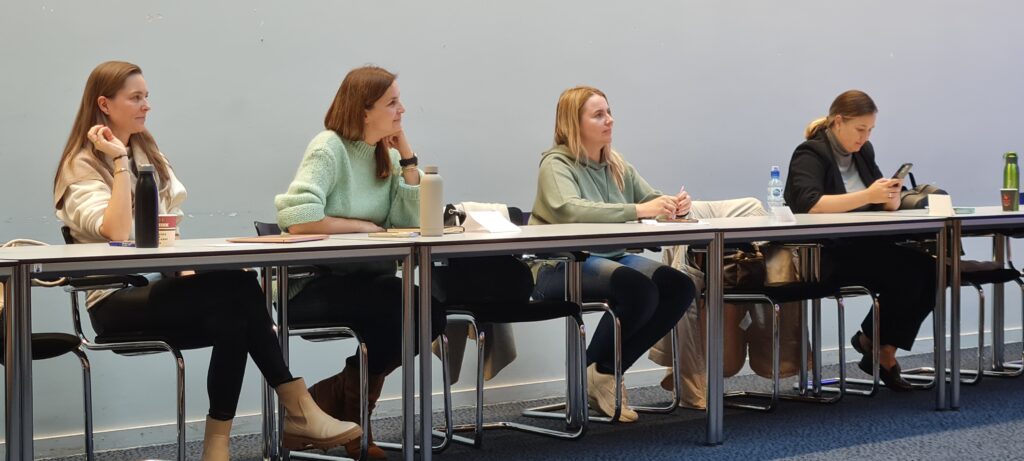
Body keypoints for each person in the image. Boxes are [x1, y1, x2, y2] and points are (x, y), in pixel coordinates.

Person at [53, 61, 360, 461]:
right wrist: (118, 161)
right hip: (114, 301)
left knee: (234, 311)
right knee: (238, 289)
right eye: (136, 97)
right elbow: (117, 231)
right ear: (104, 104)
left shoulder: (148, 153)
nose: (147, 105)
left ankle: (219, 446)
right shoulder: (81, 164)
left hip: (161, 290)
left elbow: (165, 234)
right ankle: (297, 411)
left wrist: (187, 271)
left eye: (147, 96)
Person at [275, 65, 445, 459]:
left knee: (428, 314)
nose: (402, 109)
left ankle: (331, 401)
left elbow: (409, 220)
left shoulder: (384, 154)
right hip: (312, 285)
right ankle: (353, 422)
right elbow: (298, 217)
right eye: (392, 102)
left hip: (365, 282)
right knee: (400, 306)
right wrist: (360, 226)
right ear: (364, 110)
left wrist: (407, 157)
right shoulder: (328, 147)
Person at [529, 86, 696, 422]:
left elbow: (650, 200)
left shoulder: (616, 164)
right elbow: (571, 210)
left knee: (679, 287)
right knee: (637, 288)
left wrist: (673, 206)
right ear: (573, 123)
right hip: (559, 265)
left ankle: (602, 372)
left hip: (611, 259)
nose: (610, 120)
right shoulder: (555, 163)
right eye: (598, 115)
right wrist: (639, 209)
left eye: (609, 112)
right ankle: (599, 372)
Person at [783, 89, 936, 391]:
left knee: (930, 269)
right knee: (907, 272)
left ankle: (879, 346)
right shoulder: (810, 153)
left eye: (870, 130)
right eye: (860, 129)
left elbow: (877, 201)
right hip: (825, 252)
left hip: (864, 245)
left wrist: (890, 198)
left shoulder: (864, 152)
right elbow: (809, 205)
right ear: (838, 121)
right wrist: (868, 195)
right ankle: (875, 345)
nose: (865, 137)